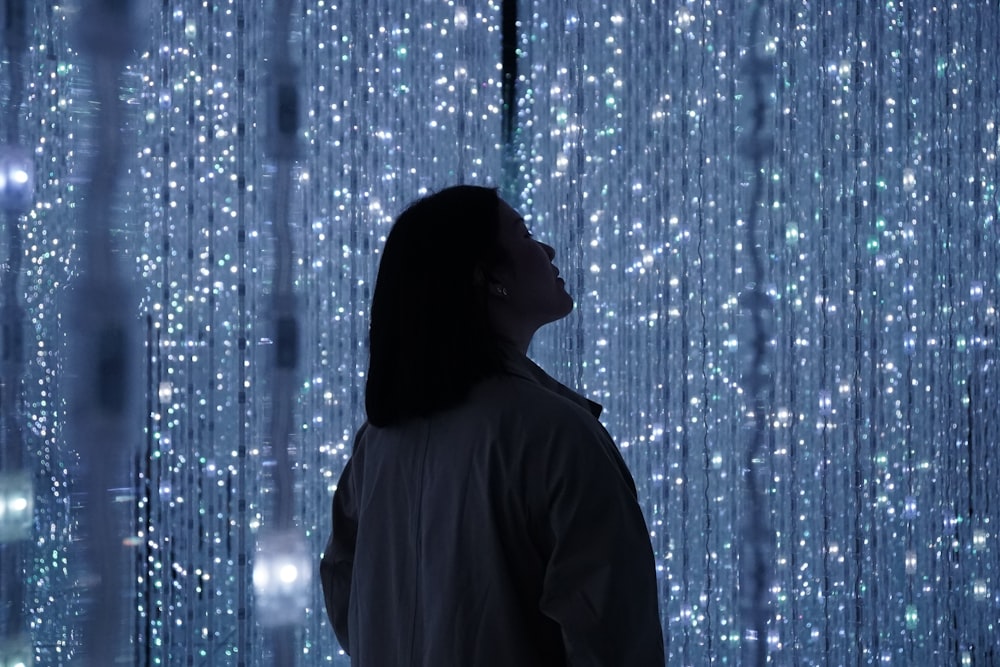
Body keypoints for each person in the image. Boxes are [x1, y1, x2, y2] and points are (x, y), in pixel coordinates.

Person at [320, 185, 665, 666]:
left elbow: (343, 584)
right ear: (488, 276)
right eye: (525, 233)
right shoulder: (556, 433)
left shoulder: (378, 440)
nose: (547, 249)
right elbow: (612, 636)